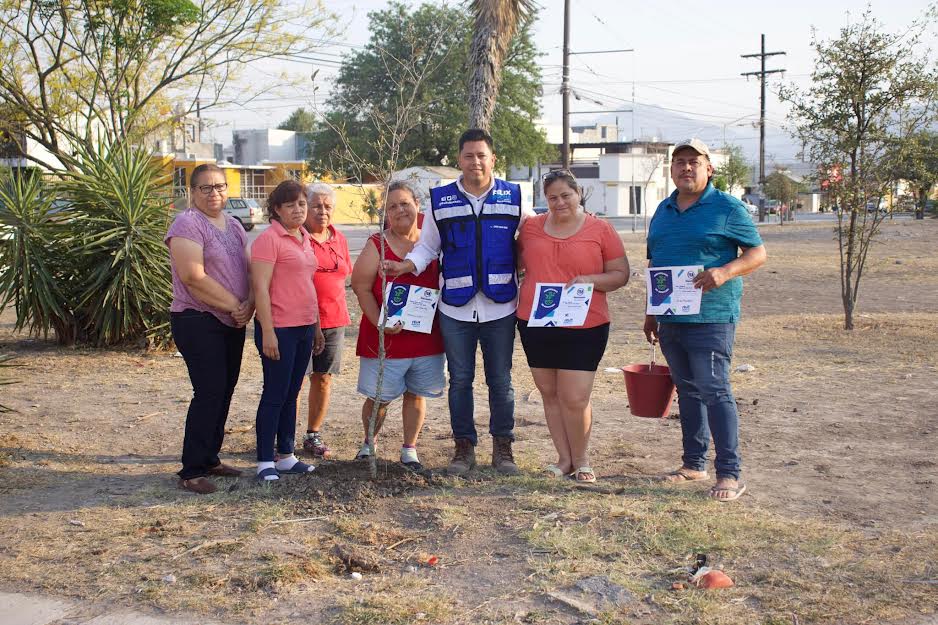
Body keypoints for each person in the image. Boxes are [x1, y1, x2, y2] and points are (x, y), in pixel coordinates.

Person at [383, 128, 532, 476]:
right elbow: (428, 246)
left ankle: (503, 449)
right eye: (468, 155)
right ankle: (463, 448)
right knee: (460, 380)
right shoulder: (440, 199)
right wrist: (406, 265)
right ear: (459, 160)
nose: (475, 161)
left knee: (501, 380)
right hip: (455, 308)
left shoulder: (516, 195)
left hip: (501, 305)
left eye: (482, 155)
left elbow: (535, 236)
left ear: (493, 159)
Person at [644, 138, 767, 502]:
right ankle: (693, 464)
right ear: (672, 169)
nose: (686, 168)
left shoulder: (727, 208)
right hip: (671, 317)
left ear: (708, 168)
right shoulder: (663, 211)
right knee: (687, 390)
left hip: (711, 317)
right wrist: (651, 313)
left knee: (714, 390)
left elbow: (758, 253)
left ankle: (729, 473)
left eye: (693, 162)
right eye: (679, 162)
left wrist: (725, 272)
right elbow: (657, 265)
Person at [516, 170, 629, 484]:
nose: (559, 202)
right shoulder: (531, 228)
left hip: (586, 324)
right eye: (552, 197)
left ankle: (582, 461)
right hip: (536, 321)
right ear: (545, 200)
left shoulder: (600, 229)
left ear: (579, 193)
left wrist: (590, 280)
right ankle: (563, 460)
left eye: (566, 195)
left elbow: (620, 274)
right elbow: (514, 262)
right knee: (550, 394)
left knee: (575, 397)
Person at [166, 164, 254, 495]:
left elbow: (246, 267)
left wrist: (250, 304)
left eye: (219, 186)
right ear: (192, 192)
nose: (214, 192)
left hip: (232, 320)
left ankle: (210, 458)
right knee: (209, 392)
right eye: (205, 187)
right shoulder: (187, 224)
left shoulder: (233, 225)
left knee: (225, 389)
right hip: (198, 319)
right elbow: (193, 276)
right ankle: (191, 470)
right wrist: (236, 304)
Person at [350, 181, 445, 472]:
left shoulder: (435, 241)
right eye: (392, 206)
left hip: (426, 337)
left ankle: (409, 449)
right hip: (386, 337)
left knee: (416, 394)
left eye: (404, 203)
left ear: (417, 204)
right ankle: (369, 444)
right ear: (386, 214)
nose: (400, 210)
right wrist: (380, 321)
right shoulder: (377, 244)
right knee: (379, 397)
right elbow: (360, 286)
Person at [250, 180, 325, 482]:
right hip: (278, 328)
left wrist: (317, 328)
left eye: (302, 204)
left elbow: (309, 286)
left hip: (304, 328)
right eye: (290, 204)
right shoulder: (269, 239)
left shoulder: (305, 237)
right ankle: (265, 460)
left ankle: (286, 455)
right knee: (275, 393)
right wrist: (267, 331)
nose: (298, 209)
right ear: (277, 209)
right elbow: (260, 288)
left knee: (292, 394)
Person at [300, 183, 352, 458]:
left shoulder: (339, 238)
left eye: (327, 206)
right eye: (316, 206)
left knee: (323, 378)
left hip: (335, 319)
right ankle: (282, 436)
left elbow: (344, 275)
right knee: (295, 379)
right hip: (300, 320)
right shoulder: (297, 237)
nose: (322, 211)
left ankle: (313, 434)